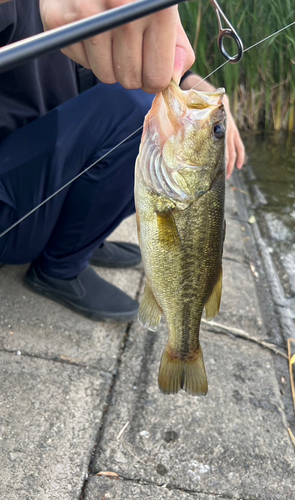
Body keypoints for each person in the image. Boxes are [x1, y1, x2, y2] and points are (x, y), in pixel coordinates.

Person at [0, 0, 245, 321]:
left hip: (39, 165)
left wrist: (189, 83)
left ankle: (79, 233)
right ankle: (60, 266)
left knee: (140, 98)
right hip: (9, 214)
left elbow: (109, 67)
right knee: (134, 107)